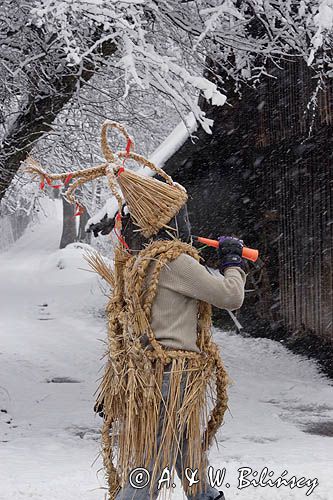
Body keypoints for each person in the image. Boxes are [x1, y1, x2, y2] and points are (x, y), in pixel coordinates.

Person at [89, 203, 247, 500]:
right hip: (172, 374)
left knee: (185, 445)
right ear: (172, 223)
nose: (186, 224)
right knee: (152, 457)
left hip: (146, 372)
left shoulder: (139, 264)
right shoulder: (175, 263)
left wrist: (114, 384)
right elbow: (230, 296)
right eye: (181, 216)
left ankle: (205, 495)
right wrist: (233, 262)